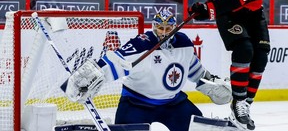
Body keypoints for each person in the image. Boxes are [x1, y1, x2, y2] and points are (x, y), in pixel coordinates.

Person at [64, 9, 232, 131]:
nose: (164, 33)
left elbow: (195, 71)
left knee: (199, 128)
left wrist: (209, 83)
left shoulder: (184, 43)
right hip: (137, 104)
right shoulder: (141, 44)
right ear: (154, 27)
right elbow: (116, 61)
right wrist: (93, 75)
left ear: (175, 27)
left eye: (168, 28)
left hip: (173, 103)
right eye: (160, 28)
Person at [188, 0, 274, 131]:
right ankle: (239, 104)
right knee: (244, 49)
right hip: (229, 15)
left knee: (261, 55)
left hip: (251, 12)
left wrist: (209, 9)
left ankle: (243, 105)